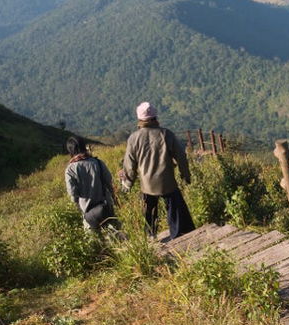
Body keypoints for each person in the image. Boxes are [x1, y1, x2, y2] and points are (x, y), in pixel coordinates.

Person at [119, 101, 195, 241]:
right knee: (175, 209)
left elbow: (129, 165)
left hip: (147, 184)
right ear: (155, 117)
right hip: (167, 181)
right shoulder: (166, 134)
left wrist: (127, 184)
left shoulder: (134, 138)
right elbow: (181, 157)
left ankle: (150, 236)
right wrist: (185, 175)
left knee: (149, 211)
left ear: (140, 119)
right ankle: (179, 236)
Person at [64, 136, 119, 235]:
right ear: (84, 147)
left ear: (71, 151)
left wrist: (79, 208)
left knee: (93, 242)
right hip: (106, 208)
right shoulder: (98, 163)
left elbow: (73, 195)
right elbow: (110, 183)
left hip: (88, 213)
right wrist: (115, 201)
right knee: (115, 236)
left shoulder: (70, 170)